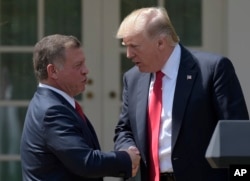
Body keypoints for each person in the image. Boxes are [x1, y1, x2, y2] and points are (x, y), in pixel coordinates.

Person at [113, 7, 249, 181]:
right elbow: (124, 129)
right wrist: (128, 149)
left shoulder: (212, 70)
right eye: (126, 46)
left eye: (134, 46)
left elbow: (237, 135)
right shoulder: (132, 78)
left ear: (161, 43)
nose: (129, 54)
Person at [20, 34, 140, 181]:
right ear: (53, 71)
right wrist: (127, 159)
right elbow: (86, 162)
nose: (86, 70)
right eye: (78, 66)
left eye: (84, 64)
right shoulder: (52, 110)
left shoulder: (52, 103)